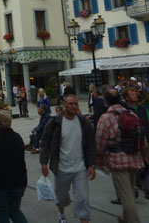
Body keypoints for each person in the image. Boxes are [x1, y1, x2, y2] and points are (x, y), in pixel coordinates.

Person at [40, 94, 97, 223]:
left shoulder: (83, 122)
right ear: (64, 105)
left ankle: (84, 219)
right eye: (70, 104)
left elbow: (91, 144)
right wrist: (43, 162)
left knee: (82, 198)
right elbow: (45, 143)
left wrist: (91, 164)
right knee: (61, 198)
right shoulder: (55, 123)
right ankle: (61, 214)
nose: (74, 106)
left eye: (76, 104)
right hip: (61, 168)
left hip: (80, 168)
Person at [96, 88, 147, 223]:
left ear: (106, 101)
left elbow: (100, 141)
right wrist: (144, 155)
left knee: (126, 196)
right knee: (128, 192)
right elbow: (142, 138)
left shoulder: (106, 118)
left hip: (118, 160)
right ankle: (125, 218)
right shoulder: (131, 113)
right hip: (135, 157)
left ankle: (133, 220)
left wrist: (99, 159)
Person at [0, 110, 28, 223]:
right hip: (19, 181)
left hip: (1, 184)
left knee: (2, 212)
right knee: (14, 210)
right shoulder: (17, 137)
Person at [122, 88, 149, 199]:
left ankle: (148, 188)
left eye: (135, 94)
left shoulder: (143, 109)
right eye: (132, 94)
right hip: (131, 142)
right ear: (126, 98)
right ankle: (136, 183)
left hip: (145, 141)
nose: (135, 96)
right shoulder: (124, 110)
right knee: (133, 166)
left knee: (146, 164)